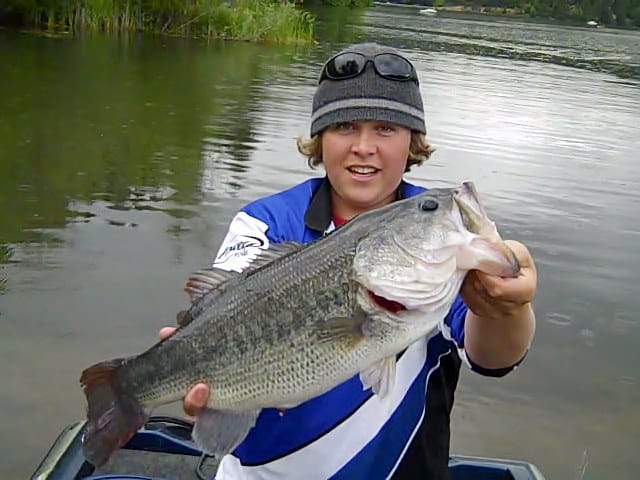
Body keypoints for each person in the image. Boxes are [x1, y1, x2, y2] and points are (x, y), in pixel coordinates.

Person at [159, 42, 537, 479]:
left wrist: (508, 308)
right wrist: (190, 365)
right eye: (344, 126)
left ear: (413, 142)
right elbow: (219, 307)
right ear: (320, 138)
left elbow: (491, 357)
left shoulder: (437, 238)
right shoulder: (266, 223)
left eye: (386, 129)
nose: (364, 146)